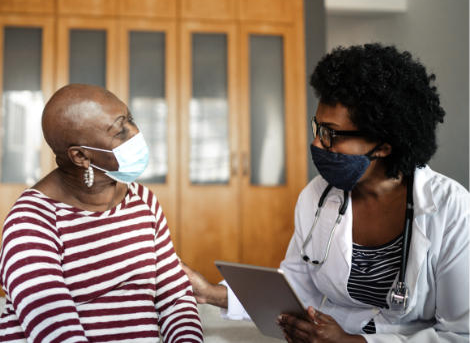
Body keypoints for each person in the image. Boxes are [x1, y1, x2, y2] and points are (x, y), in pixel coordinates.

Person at [181, 44, 470, 342]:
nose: (318, 145)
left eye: (331, 134)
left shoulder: (452, 210)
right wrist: (214, 294)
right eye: (317, 128)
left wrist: (352, 342)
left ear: (384, 144)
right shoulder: (317, 196)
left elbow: (460, 333)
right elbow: (295, 288)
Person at [0, 84, 203, 343]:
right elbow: (55, 329)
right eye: (120, 131)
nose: (136, 133)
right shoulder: (31, 220)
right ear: (81, 156)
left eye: (130, 119)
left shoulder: (144, 201)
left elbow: (175, 299)